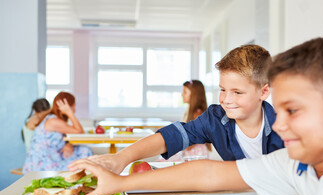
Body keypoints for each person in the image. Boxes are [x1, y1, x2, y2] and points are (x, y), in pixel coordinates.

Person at [70, 36, 323, 195]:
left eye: (293, 111)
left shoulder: (291, 154)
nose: (279, 124)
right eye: (223, 90)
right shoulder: (291, 164)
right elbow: (207, 172)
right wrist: (120, 175)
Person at [78, 44, 283, 174]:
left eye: (237, 92)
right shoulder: (215, 118)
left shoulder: (284, 127)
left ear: (264, 92)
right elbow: (172, 136)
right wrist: (121, 158)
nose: (226, 99)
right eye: (222, 89)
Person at [23, 92, 92, 174]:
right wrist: (69, 112)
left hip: (51, 157)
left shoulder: (53, 118)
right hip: (42, 164)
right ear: (68, 106)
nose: (75, 109)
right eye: (74, 105)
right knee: (85, 152)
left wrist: (68, 144)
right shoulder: (53, 121)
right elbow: (80, 133)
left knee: (83, 150)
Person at [165, 80, 211, 161]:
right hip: (189, 152)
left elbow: (188, 143)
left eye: (185, 92)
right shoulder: (190, 112)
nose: (182, 95)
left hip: (196, 155)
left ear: (194, 95)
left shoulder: (198, 115)